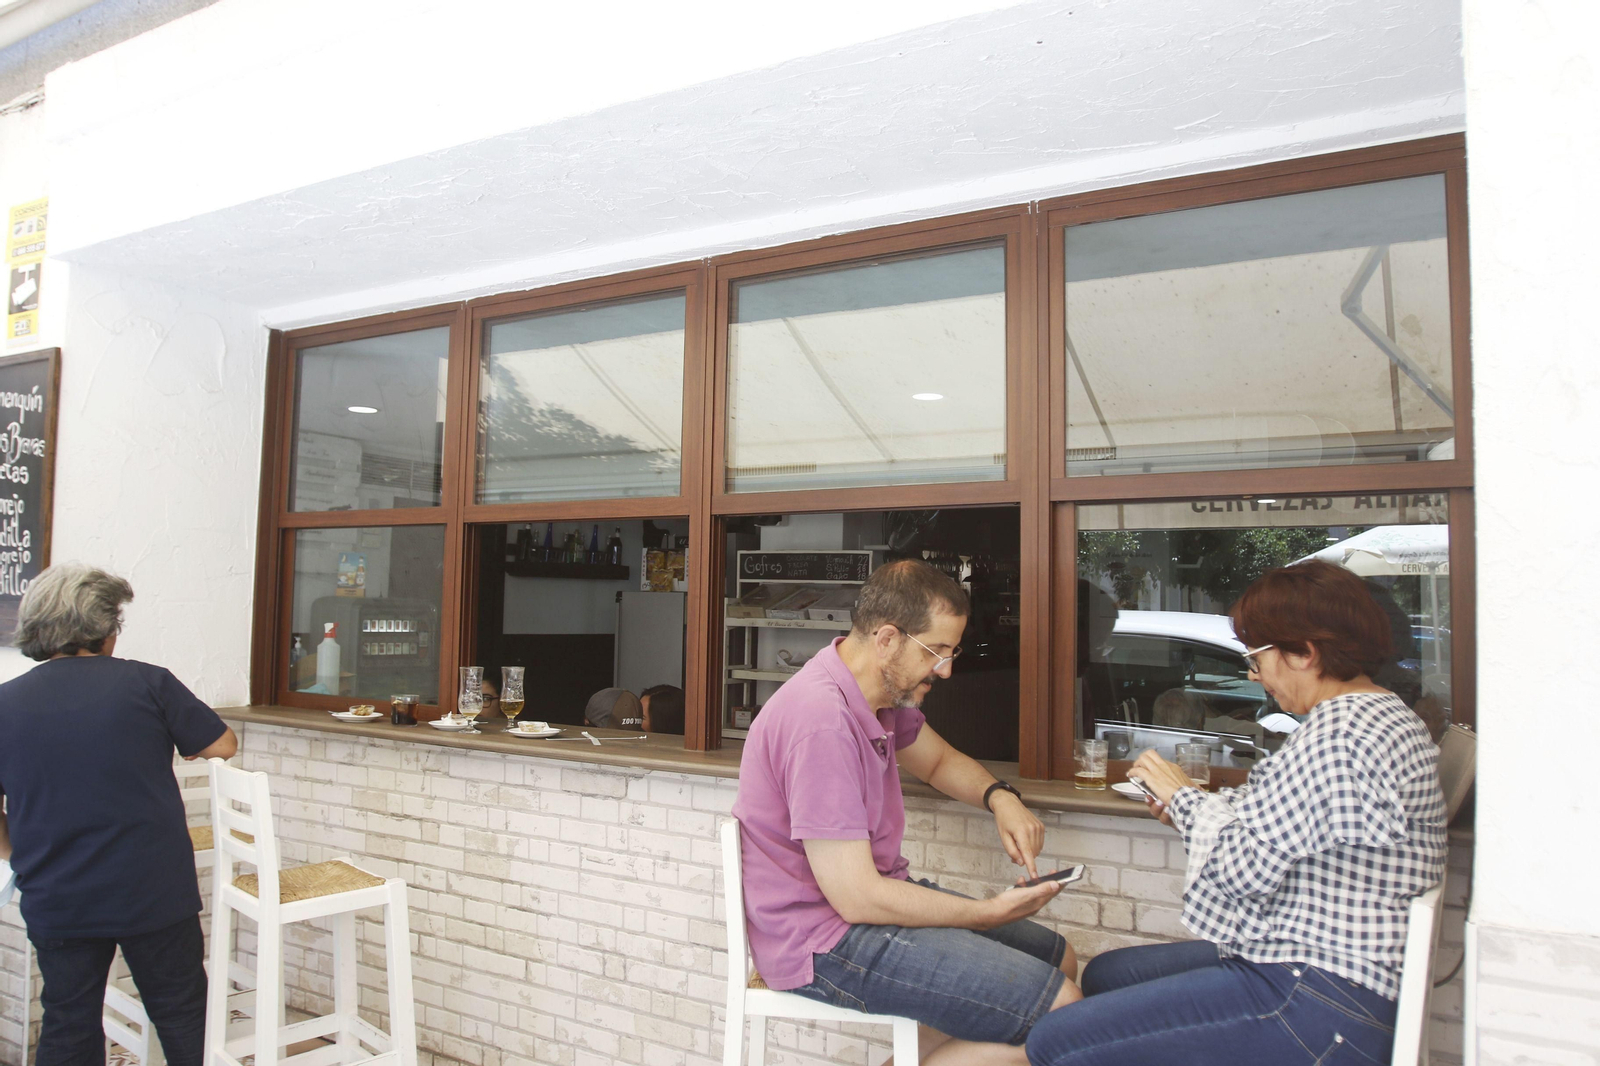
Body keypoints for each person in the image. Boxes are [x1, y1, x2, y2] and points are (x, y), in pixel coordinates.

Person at [1026, 560, 1447, 1066]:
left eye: (1257, 657)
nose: (1254, 674)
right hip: (1327, 966)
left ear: (1304, 652)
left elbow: (1243, 872)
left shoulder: (1339, 737)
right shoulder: (1376, 715)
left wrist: (1182, 798)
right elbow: (1279, 826)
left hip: (1318, 994)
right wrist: (1188, 809)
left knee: (1054, 1042)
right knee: (1107, 975)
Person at [733, 560, 1081, 1065]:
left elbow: (937, 761)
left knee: (1061, 960)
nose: (947, 669)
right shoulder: (821, 723)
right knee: (1062, 1013)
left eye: (952, 651)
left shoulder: (876, 699)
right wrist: (984, 915)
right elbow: (857, 898)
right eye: (935, 652)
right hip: (822, 940)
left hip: (860, 911)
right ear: (888, 639)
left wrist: (1000, 797)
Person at [0, 564, 237, 1066]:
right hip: (153, 890)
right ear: (102, 629)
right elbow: (222, 744)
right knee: (182, 1013)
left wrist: (21, 859)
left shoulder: (6, 703)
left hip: (57, 893)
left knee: (67, 1021)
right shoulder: (148, 683)